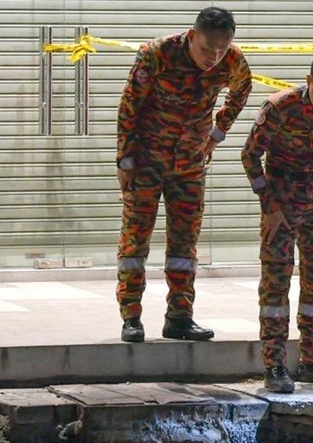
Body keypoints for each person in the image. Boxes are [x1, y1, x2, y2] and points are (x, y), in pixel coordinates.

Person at [115, 7, 252, 343]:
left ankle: (179, 317)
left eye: (221, 50)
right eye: (208, 49)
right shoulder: (157, 54)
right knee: (136, 240)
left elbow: (242, 90)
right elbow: (129, 106)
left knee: (184, 244)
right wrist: (124, 160)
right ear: (192, 36)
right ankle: (131, 317)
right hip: (147, 159)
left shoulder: (231, 60)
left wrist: (217, 134)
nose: (214, 58)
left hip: (189, 163)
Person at [241, 54, 313, 394]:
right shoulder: (279, 106)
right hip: (281, 194)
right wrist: (269, 204)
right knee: (276, 282)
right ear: (308, 81)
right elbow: (249, 156)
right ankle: (274, 364)